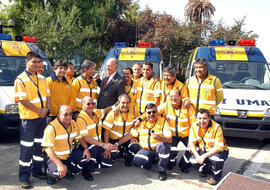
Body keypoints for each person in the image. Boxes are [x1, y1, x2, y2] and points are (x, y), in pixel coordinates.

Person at [14, 51, 50, 189]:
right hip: (29, 120)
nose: (36, 64)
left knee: (39, 146)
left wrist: (46, 109)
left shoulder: (42, 78)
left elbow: (48, 95)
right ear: (27, 62)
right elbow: (22, 99)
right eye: (33, 62)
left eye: (38, 62)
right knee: (26, 149)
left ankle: (37, 171)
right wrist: (39, 111)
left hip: (41, 118)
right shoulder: (20, 79)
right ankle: (24, 176)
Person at [42, 105, 91, 185]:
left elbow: (79, 137)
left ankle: (67, 170)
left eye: (70, 114)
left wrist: (86, 148)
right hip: (55, 157)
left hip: (68, 155)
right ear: (58, 115)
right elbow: (48, 149)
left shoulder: (73, 123)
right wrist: (59, 165)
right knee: (57, 173)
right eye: (65, 114)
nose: (69, 117)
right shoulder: (51, 128)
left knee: (84, 157)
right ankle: (50, 172)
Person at [181, 108, 229, 185]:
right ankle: (206, 168)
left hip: (217, 151)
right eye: (199, 118)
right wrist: (197, 156)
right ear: (196, 118)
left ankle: (215, 177)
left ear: (209, 118)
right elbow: (191, 143)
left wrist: (203, 156)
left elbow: (219, 148)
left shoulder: (217, 127)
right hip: (203, 150)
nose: (202, 121)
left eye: (204, 118)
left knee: (216, 159)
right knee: (193, 160)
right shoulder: (194, 126)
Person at [129, 103, 172, 181]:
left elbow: (169, 139)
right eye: (149, 112)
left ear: (157, 112)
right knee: (137, 161)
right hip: (145, 150)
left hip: (157, 150)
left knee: (165, 146)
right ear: (145, 113)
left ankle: (162, 170)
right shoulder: (140, 123)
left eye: (154, 112)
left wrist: (159, 137)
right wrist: (133, 138)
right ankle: (151, 161)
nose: (151, 114)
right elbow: (132, 134)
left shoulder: (163, 122)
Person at [76, 96, 115, 181]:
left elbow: (105, 110)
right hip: (86, 145)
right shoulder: (81, 118)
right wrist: (103, 145)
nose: (91, 105)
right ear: (82, 105)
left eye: (93, 103)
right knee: (93, 149)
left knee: (109, 162)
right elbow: (85, 138)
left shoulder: (96, 112)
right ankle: (86, 171)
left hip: (98, 144)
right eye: (88, 104)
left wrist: (115, 106)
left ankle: (94, 163)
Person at [157, 89, 196, 171]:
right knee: (171, 151)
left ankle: (183, 163)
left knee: (192, 149)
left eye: (175, 96)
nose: (173, 98)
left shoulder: (188, 107)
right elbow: (153, 111)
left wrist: (191, 141)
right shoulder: (166, 105)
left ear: (180, 97)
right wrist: (140, 119)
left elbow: (194, 125)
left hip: (186, 135)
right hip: (173, 136)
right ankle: (172, 162)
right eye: (171, 96)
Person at [102, 94, 139, 167]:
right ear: (118, 103)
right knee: (112, 156)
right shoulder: (112, 113)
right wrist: (106, 147)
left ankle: (127, 159)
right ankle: (119, 153)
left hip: (126, 138)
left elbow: (138, 124)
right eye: (123, 103)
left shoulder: (134, 110)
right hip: (112, 139)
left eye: (127, 103)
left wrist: (135, 137)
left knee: (135, 146)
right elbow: (106, 131)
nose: (125, 105)